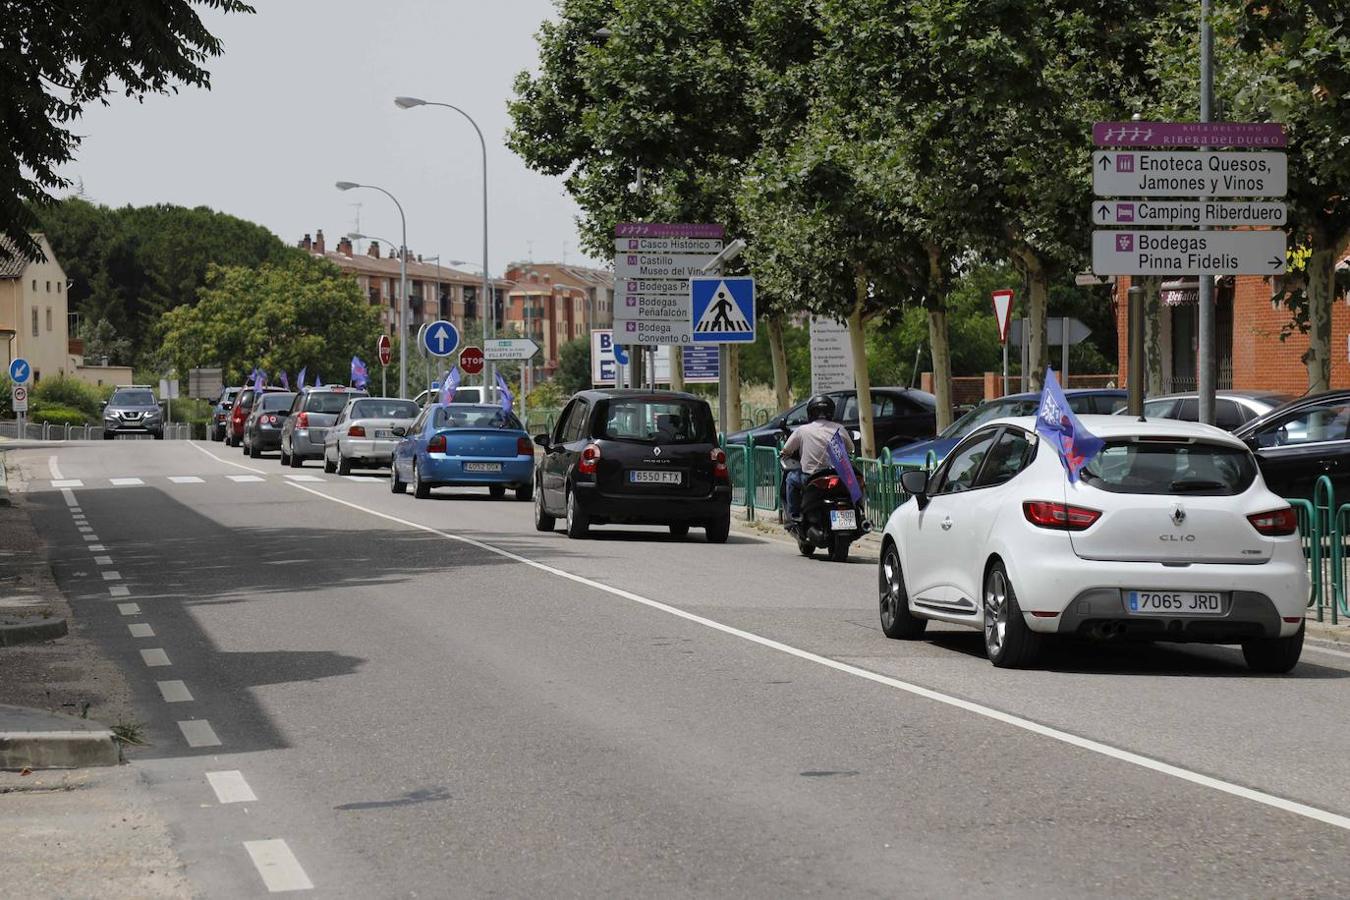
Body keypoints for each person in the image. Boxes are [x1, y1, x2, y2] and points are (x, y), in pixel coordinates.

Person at [781, 394, 854, 522]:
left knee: (790, 480)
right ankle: (861, 514)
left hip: (811, 477)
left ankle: (794, 514)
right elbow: (850, 449)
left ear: (810, 412)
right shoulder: (840, 428)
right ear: (831, 411)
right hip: (838, 476)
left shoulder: (802, 430)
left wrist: (784, 453)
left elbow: (786, 450)